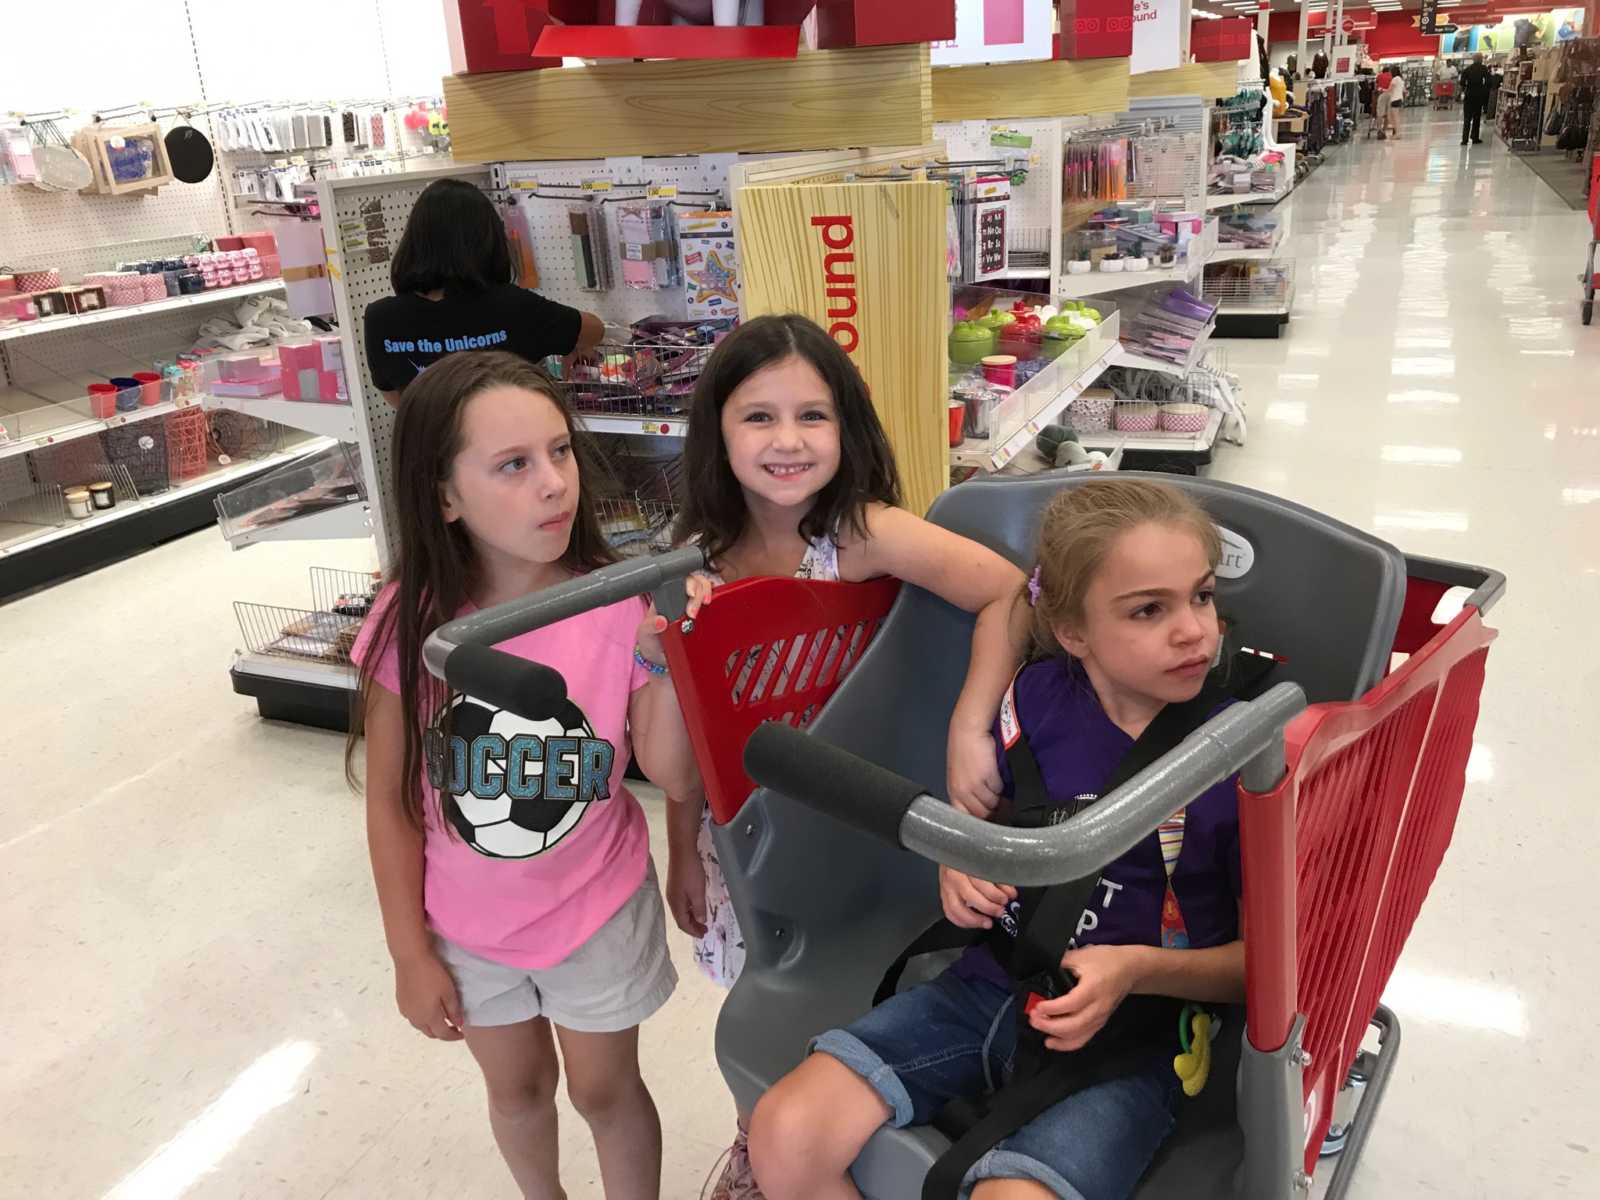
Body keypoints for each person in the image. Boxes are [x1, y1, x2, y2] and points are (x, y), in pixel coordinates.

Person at [747, 479, 1250, 1200]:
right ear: (1073, 632)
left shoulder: (1245, 756)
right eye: (1149, 609)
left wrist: (1137, 969)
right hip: (991, 987)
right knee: (785, 1131)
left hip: (1139, 1039)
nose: (1194, 630)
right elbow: (996, 827)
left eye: (1202, 596)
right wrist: (963, 861)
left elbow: (1268, 966)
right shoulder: (1034, 700)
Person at [664, 314, 1027, 1198]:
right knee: (762, 992)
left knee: (840, 987)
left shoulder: (856, 532)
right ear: (717, 427)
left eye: (812, 416)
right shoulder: (697, 561)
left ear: (847, 427)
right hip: (749, 840)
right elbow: (689, 735)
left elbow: (1010, 592)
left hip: (862, 819)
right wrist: (678, 846)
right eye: (758, 417)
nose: (787, 441)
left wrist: (967, 723)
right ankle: (768, 1141)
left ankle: (813, 1138)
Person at [350, 350, 700, 1200]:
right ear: (444, 495)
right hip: (467, 926)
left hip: (599, 906)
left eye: (560, 452)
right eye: (513, 464)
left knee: (606, 1090)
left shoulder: (618, 602)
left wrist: (668, 660)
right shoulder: (410, 621)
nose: (553, 484)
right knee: (516, 1091)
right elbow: (394, 806)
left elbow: (668, 771)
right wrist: (408, 951)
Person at [363, 178, 606, 406]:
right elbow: (595, 329)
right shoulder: (512, 306)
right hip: (505, 442)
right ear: (487, 240)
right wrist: (574, 344)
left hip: (429, 446)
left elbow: (397, 399)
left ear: (414, 241)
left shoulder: (380, 318)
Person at [1460, 53, 1493, 145]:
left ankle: (1464, 139)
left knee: (1467, 118)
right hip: (1478, 95)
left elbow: (1462, 82)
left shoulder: (1467, 69)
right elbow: (1488, 81)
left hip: (1469, 95)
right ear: (1480, 59)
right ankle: (1475, 137)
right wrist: (1484, 89)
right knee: (1476, 117)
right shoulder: (1483, 69)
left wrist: (1465, 89)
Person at [1386, 69, 1407, 137]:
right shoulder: (1401, 80)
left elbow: (1390, 89)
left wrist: (1383, 90)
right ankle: (1397, 133)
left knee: (1393, 118)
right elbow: (1404, 90)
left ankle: (1397, 133)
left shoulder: (1395, 79)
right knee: (1395, 117)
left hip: (1394, 99)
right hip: (1399, 99)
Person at [1376, 65, 1395, 131]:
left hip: (1382, 94)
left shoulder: (1379, 76)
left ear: (1383, 71)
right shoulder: (1392, 76)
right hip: (1391, 95)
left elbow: (1376, 87)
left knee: (1380, 114)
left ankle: (1379, 130)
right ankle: (1384, 129)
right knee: (1387, 113)